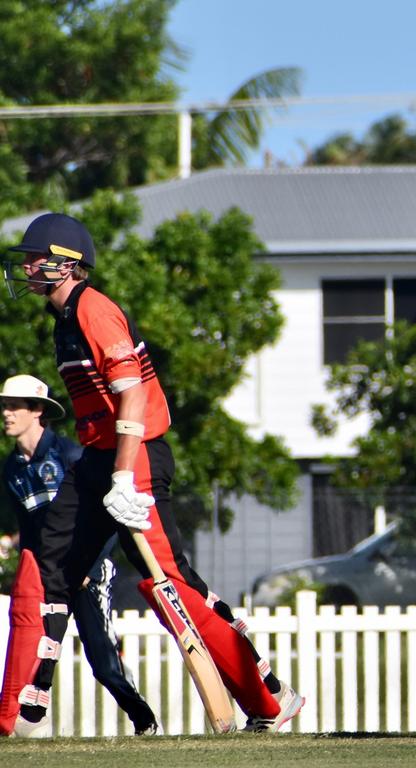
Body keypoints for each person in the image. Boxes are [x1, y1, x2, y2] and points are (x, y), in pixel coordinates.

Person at [1, 212, 303, 737]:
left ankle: (269, 694)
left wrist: (122, 478)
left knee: (173, 582)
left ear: (64, 262)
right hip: (97, 457)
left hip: (132, 454)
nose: (25, 266)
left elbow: (133, 392)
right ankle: (29, 702)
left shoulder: (93, 309)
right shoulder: (63, 318)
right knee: (51, 561)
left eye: (33, 257)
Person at [1, 374, 159, 736]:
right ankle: (26, 725)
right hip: (49, 575)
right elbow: (27, 528)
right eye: (4, 406)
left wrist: (89, 563)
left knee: (102, 663)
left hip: (88, 570)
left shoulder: (70, 455)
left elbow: (107, 516)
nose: (7, 414)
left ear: (37, 410)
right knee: (43, 656)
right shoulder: (11, 469)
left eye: (14, 406)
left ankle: (144, 721)